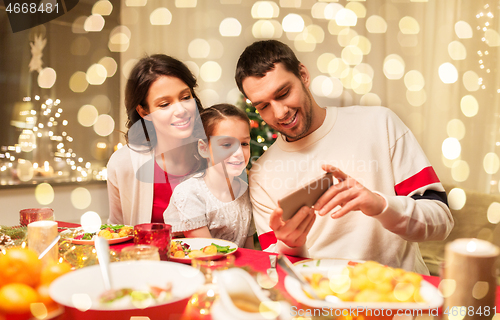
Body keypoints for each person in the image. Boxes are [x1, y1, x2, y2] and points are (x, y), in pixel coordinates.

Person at [235, 40, 453, 274]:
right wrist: (290, 244)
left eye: (284, 93)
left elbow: (442, 221)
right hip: (321, 302)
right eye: (263, 106)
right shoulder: (261, 174)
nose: (279, 113)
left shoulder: (380, 123)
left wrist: (380, 205)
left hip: (399, 296)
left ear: (303, 75)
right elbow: (275, 267)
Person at [107, 54, 206, 226]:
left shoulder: (215, 155)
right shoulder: (124, 163)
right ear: (145, 112)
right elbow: (117, 232)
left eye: (185, 97)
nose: (181, 110)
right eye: (164, 104)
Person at [164, 104, 255, 249]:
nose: (238, 153)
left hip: (237, 269)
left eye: (244, 143)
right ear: (204, 148)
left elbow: (250, 250)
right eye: (226, 144)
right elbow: (207, 252)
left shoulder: (246, 190)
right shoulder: (189, 193)